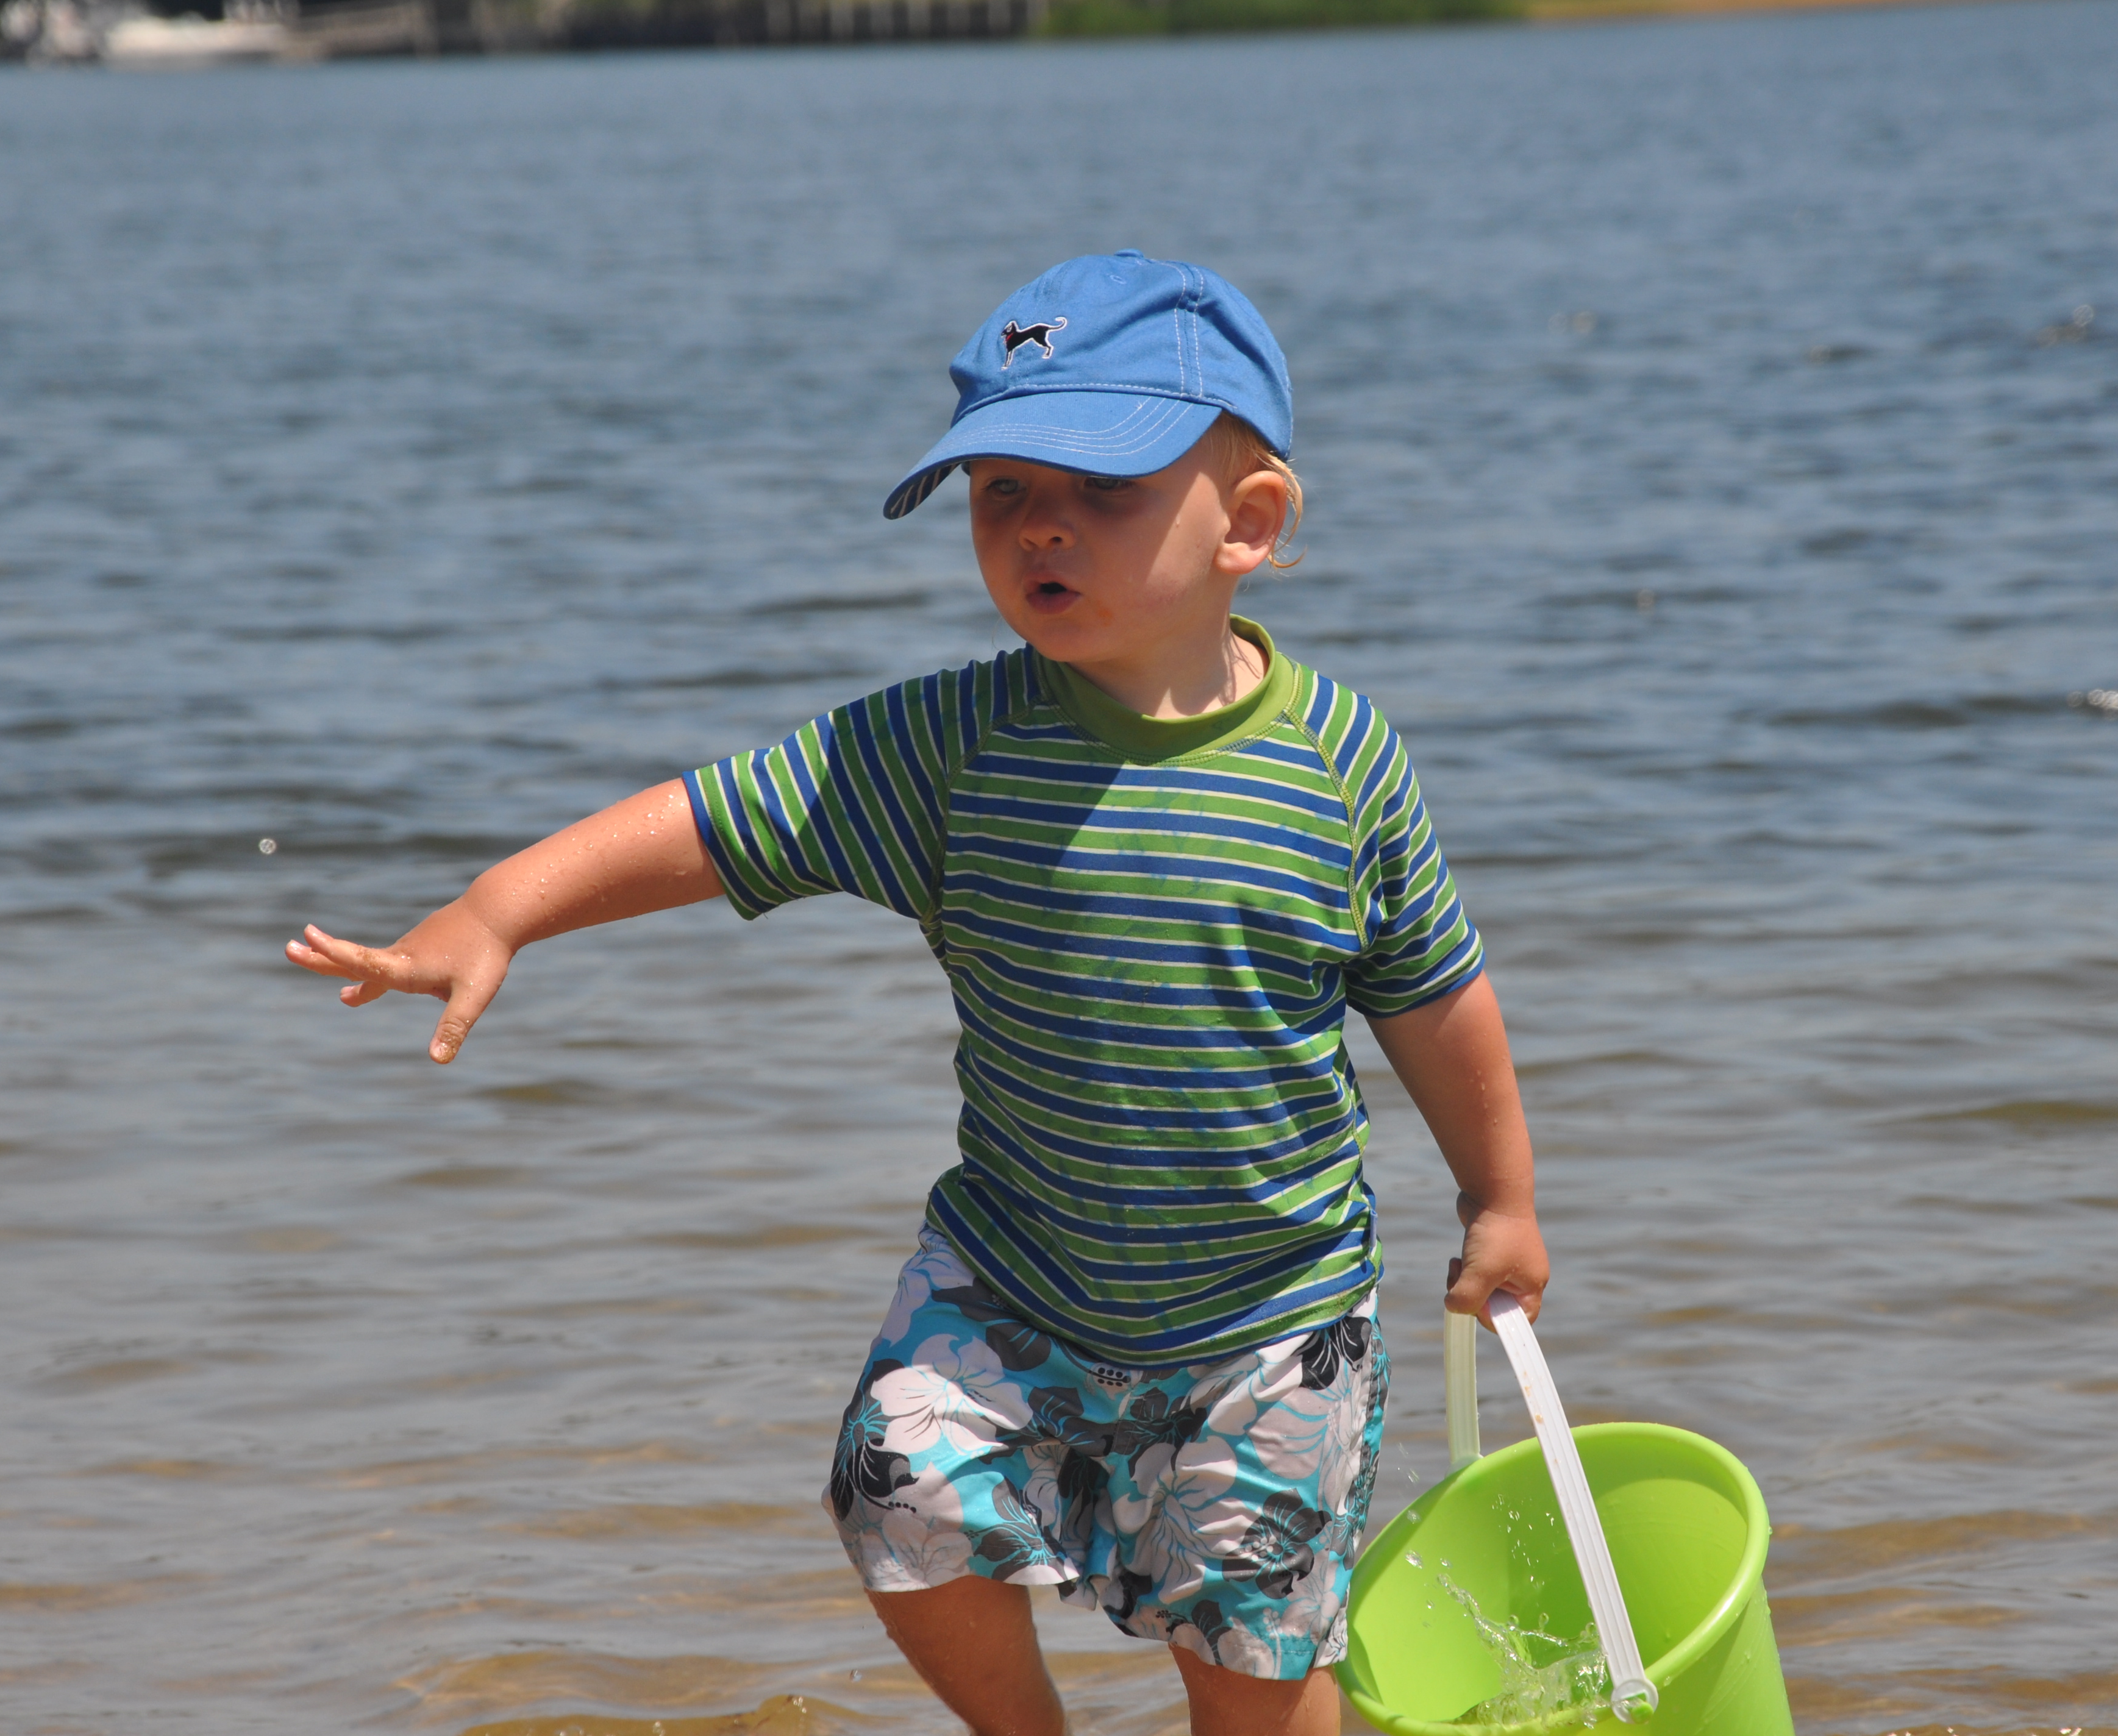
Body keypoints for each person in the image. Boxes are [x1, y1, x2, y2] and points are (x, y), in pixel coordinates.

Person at [285, 251, 1550, 1736]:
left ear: (1249, 523)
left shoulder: (1339, 764)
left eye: (1101, 485)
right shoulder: (952, 745)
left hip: (1269, 1319)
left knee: (1251, 1650)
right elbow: (719, 820)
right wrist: (501, 906)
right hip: (1014, 1279)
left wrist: (1499, 1196)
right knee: (892, 1483)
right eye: (999, 489)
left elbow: (1431, 993)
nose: (1038, 524)